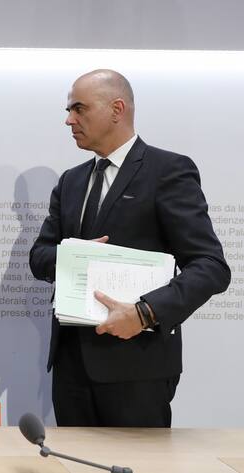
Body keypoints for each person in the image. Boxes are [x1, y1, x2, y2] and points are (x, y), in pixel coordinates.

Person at [29, 70, 230, 427]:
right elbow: (39, 257)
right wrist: (73, 254)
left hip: (138, 367)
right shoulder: (71, 181)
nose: (68, 119)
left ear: (116, 109)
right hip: (71, 367)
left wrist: (145, 313)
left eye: (79, 108)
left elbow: (211, 266)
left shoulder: (168, 171)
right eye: (69, 109)